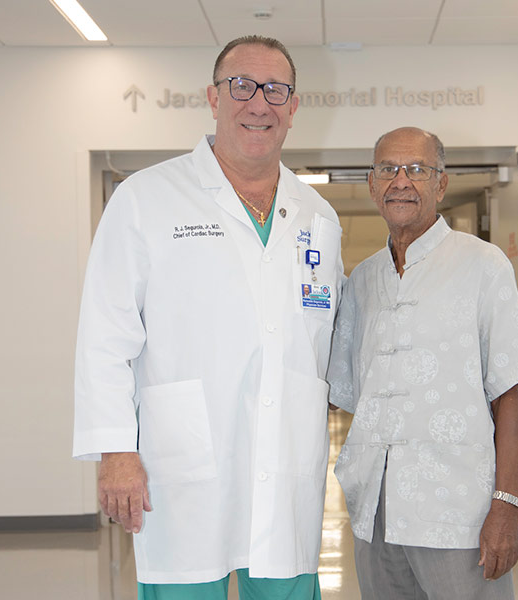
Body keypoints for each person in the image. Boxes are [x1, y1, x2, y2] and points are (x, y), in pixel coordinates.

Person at [73, 35, 343, 600]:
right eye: (241, 85)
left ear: (293, 107)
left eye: (275, 89)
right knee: (185, 584)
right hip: (184, 460)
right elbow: (105, 336)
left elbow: (323, 333)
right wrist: (116, 451)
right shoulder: (146, 198)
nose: (258, 102)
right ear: (213, 97)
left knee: (288, 585)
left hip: (288, 457)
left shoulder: (317, 214)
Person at [326, 127, 518, 599]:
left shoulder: (482, 266)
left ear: (440, 184)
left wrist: (506, 505)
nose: (400, 181)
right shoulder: (362, 281)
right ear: (371, 183)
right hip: (376, 514)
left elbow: (511, 393)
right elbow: (347, 396)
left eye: (417, 169)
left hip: (458, 514)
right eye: (387, 169)